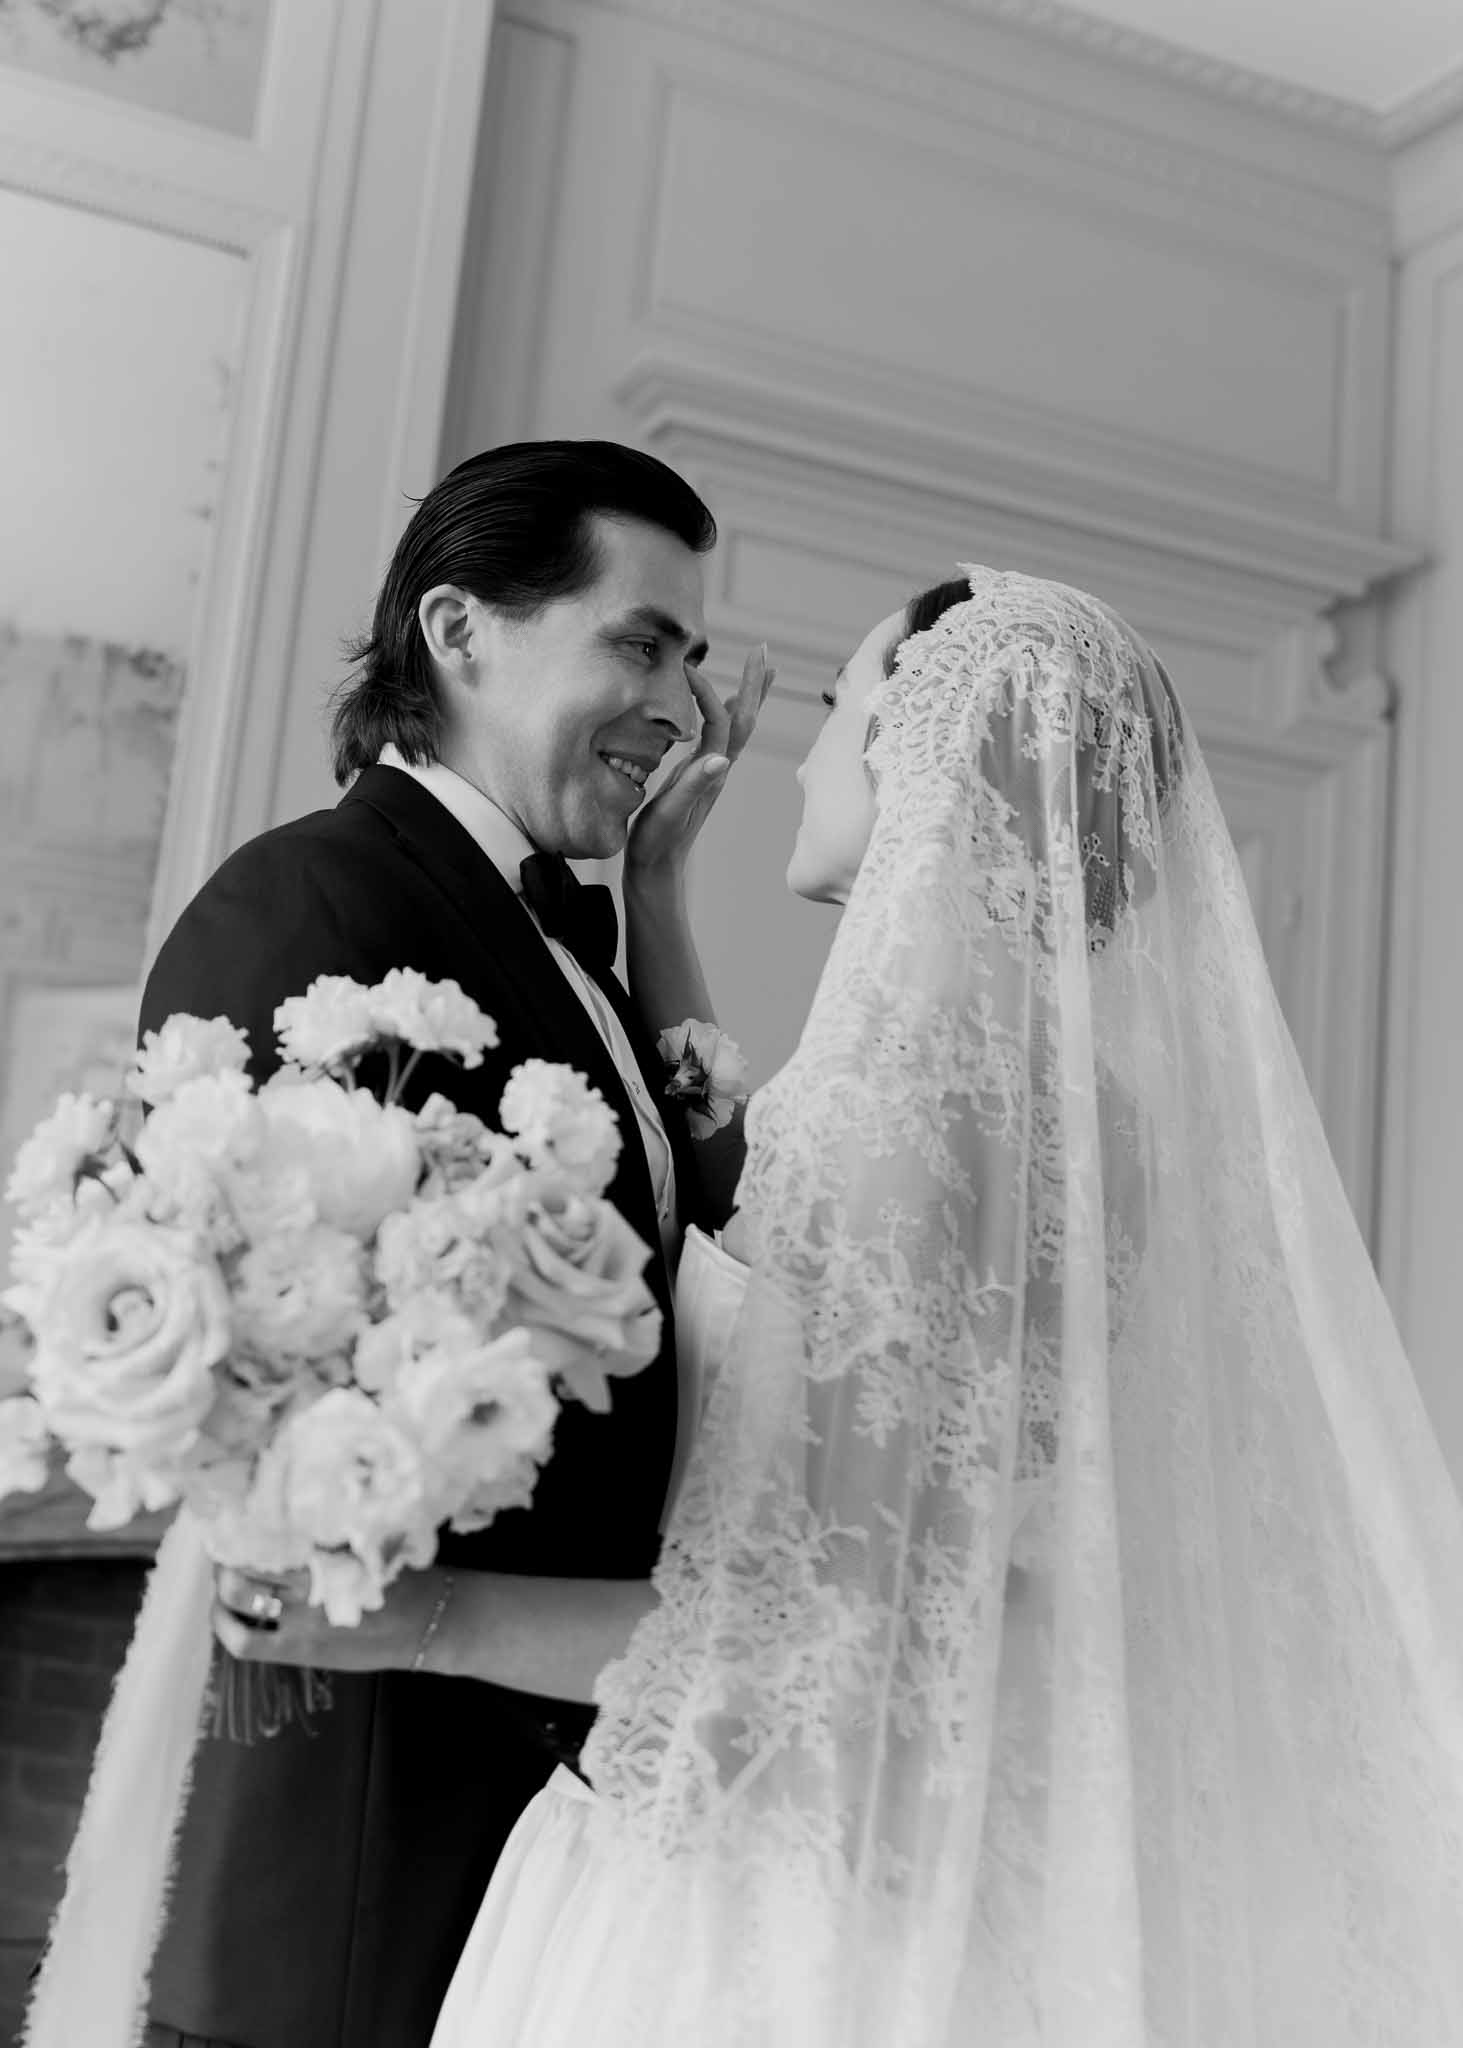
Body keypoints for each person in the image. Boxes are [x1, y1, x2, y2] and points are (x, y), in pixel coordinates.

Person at [223, 568, 1463, 2043]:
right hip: (895, 1861)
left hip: (743, 1893)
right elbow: (753, 1209)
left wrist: (410, 1621)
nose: (804, 752)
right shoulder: (1072, 1111)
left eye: (841, 702)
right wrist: (658, 900)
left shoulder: (918, 1104)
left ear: (919, 757)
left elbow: (830, 1640)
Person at [22, 440, 774, 2048]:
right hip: (362, 1847)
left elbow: (715, 1247)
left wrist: (658, 899)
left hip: (554, 1836)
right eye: (640, 642)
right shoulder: (310, 911)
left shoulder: (570, 936)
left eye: (692, 659)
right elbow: (263, 1425)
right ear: (459, 630)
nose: (683, 703)